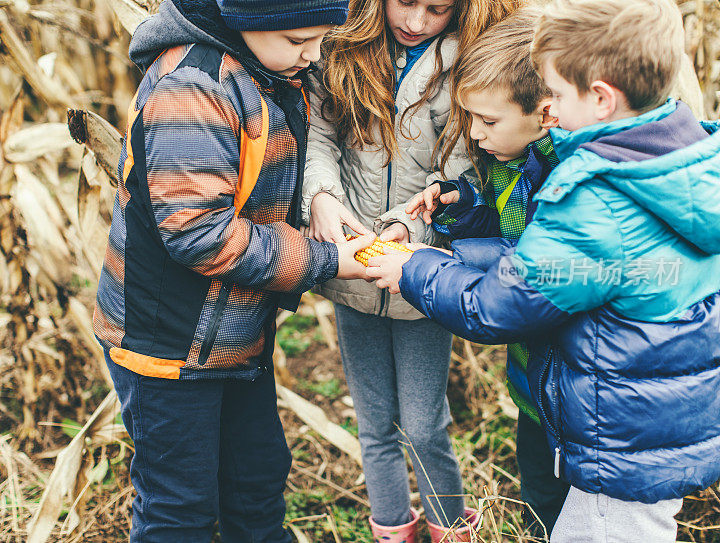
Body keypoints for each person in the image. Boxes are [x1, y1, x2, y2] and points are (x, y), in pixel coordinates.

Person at [366, 0, 720, 541]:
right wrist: (459, 227)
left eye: (554, 92)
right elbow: (535, 261)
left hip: (615, 438)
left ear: (600, 98)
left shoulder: (598, 199)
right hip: (630, 417)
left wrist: (413, 268)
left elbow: (501, 305)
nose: (547, 109)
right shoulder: (672, 158)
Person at [91, 0, 378, 540]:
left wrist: (317, 200)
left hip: (233, 335)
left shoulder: (267, 65)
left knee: (256, 478)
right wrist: (324, 259)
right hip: (169, 348)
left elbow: (263, 174)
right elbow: (198, 234)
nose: (314, 55)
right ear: (252, 19)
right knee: (180, 505)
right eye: (299, 41)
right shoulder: (193, 90)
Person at [302, 0, 521, 540]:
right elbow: (319, 135)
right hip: (353, 272)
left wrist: (411, 230)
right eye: (406, 2)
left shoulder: (470, 63)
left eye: (437, 8)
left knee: (424, 426)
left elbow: (465, 168)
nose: (416, 22)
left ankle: (450, 527)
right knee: (374, 425)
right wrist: (322, 197)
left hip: (422, 281)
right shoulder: (344, 49)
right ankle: (392, 528)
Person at [403, 8, 568, 537]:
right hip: (534, 387)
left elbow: (527, 270)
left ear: (545, 114)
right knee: (539, 499)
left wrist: (432, 264)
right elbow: (499, 219)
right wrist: (457, 203)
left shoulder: (574, 182)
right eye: (469, 117)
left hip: (576, 392)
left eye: (487, 121)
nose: (473, 134)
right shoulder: (508, 159)